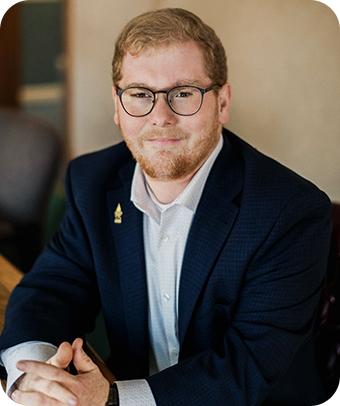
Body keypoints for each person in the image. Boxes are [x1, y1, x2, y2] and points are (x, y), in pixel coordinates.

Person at [0, 7, 332, 406]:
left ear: (222, 103)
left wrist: (111, 399)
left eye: (184, 93)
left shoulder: (290, 212)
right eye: (140, 94)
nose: (160, 117)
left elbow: (248, 369)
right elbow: (51, 291)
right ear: (117, 105)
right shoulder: (92, 181)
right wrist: (33, 379)